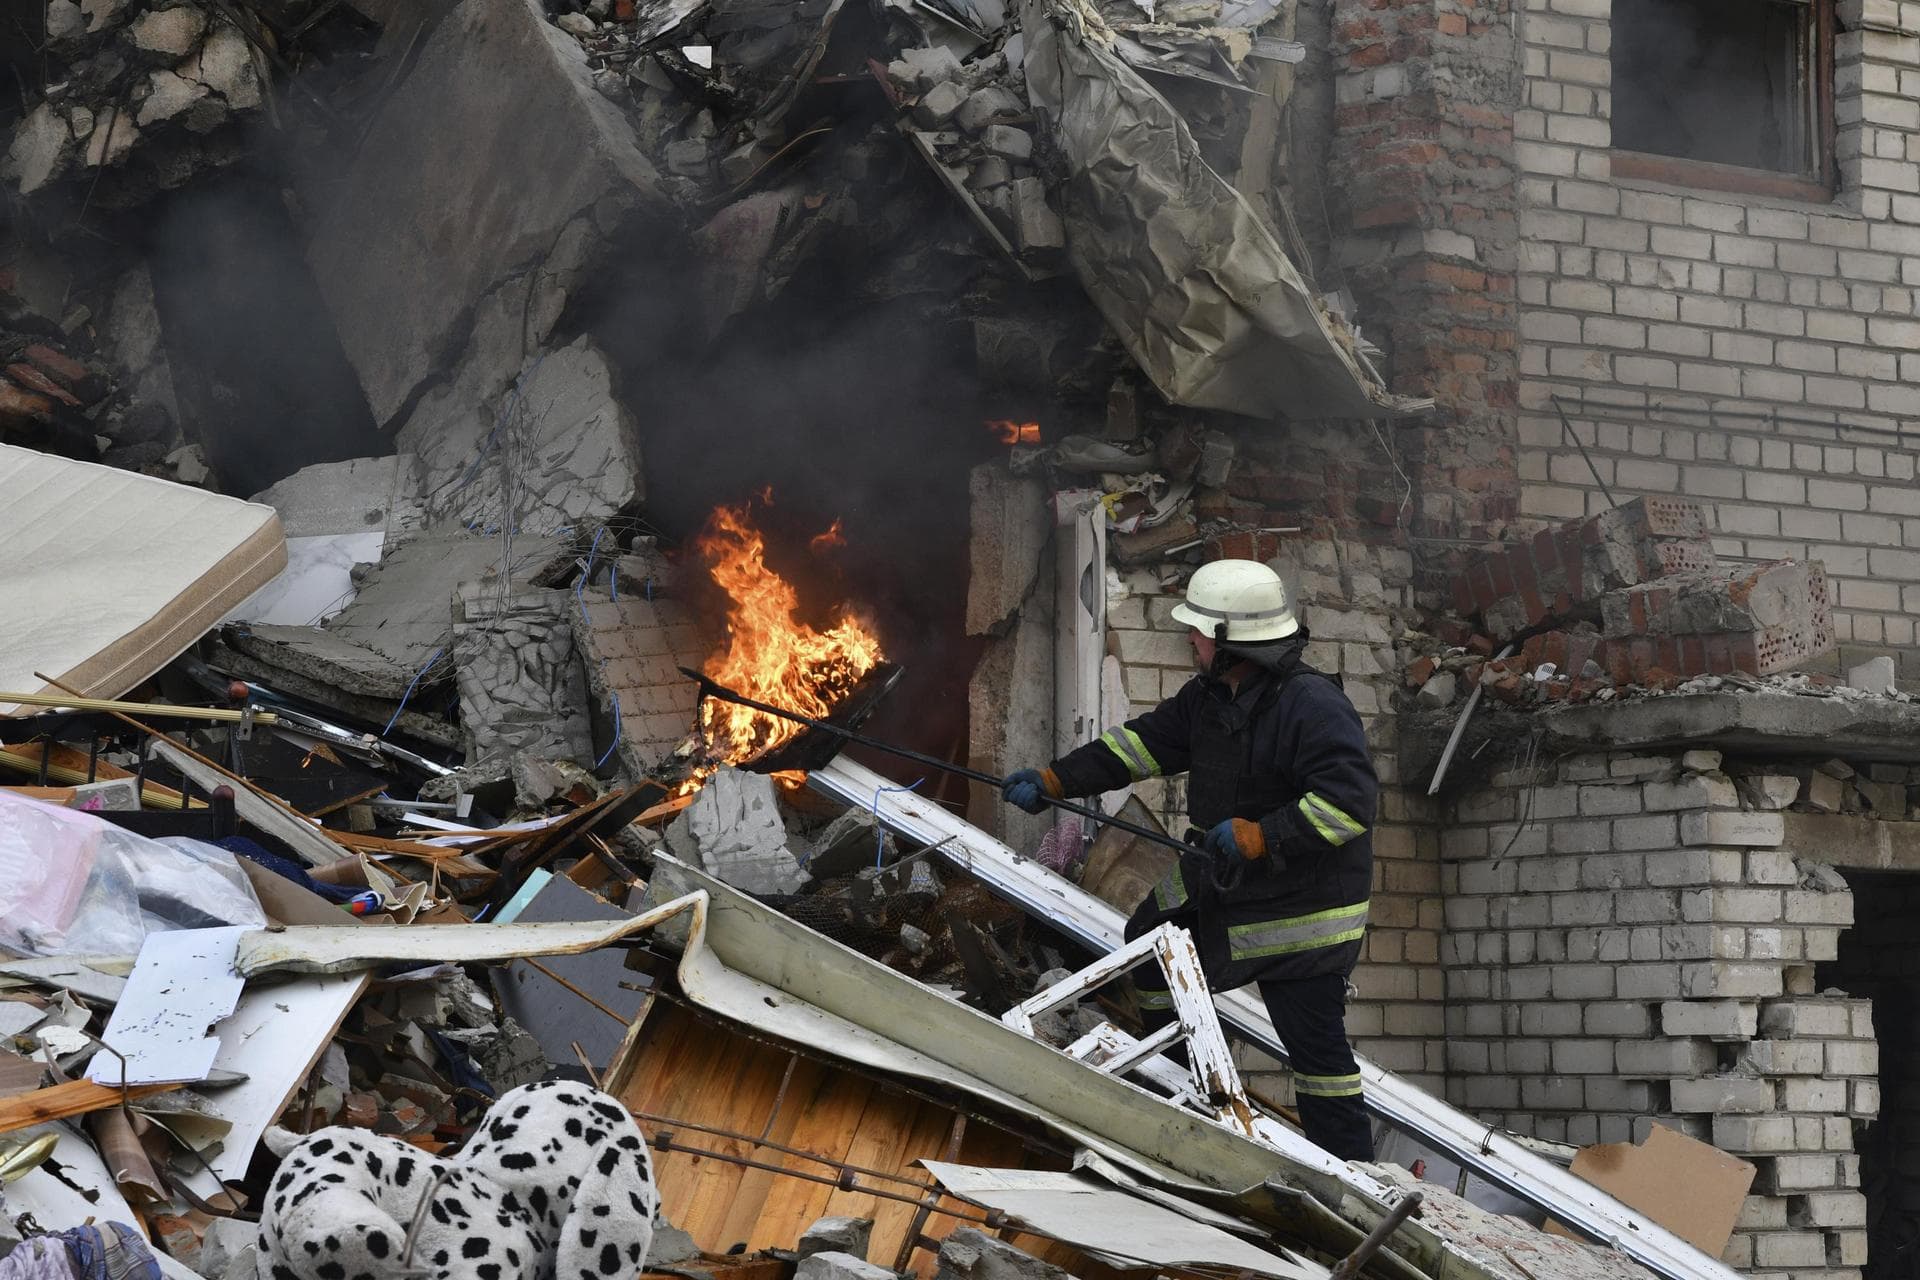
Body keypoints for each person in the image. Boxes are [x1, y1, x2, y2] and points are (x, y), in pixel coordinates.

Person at [1001, 559, 1377, 1162]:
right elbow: (1139, 747)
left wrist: (1262, 836)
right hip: (1227, 883)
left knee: (1317, 1056)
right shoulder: (1207, 699)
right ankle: (1190, 1097)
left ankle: (1356, 1181)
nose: (1190, 641)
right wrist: (1055, 778)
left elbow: (1351, 804)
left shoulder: (1311, 705)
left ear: (1232, 642)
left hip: (1301, 917)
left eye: (1199, 631)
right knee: (1150, 948)